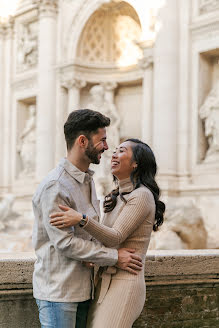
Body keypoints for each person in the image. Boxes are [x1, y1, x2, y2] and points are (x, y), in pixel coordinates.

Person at [32, 109, 143, 328]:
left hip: (85, 289)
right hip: (59, 293)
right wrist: (114, 257)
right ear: (82, 141)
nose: (107, 147)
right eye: (102, 140)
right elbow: (65, 242)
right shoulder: (55, 185)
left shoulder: (87, 181)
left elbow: (87, 234)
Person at [50, 138, 165, 327]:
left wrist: (81, 219)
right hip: (103, 282)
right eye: (115, 151)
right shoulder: (116, 196)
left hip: (126, 283)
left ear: (136, 163)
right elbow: (103, 238)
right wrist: (93, 256)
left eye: (122, 151)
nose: (114, 154)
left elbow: (115, 236)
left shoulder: (142, 195)